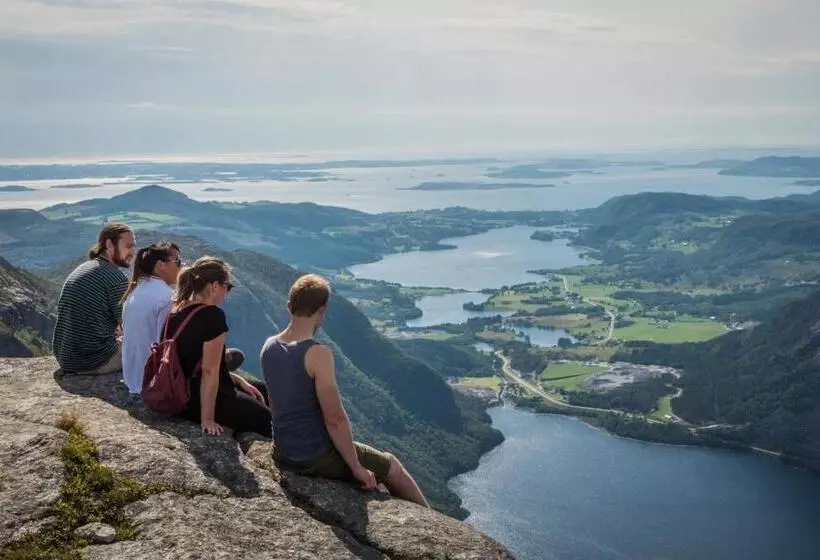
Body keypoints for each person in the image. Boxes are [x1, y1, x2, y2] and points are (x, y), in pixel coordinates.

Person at [260, 274, 429, 507]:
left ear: (289, 306)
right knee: (392, 467)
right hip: (313, 456)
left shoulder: (269, 346)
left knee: (378, 484)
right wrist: (357, 468)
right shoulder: (317, 354)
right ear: (321, 311)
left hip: (283, 452)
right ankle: (438, 526)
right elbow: (335, 419)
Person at [169, 256, 271, 438]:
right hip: (202, 401)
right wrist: (207, 419)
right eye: (227, 287)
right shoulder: (212, 316)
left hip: (181, 393)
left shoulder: (176, 310)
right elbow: (208, 371)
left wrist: (239, 380)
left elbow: (193, 361)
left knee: (262, 390)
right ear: (215, 286)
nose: (227, 292)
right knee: (271, 423)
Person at [53, 223, 135, 374]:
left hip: (66, 357)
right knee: (147, 347)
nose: (132, 252)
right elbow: (133, 327)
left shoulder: (84, 268)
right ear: (110, 244)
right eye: (128, 246)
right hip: (93, 361)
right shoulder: (114, 277)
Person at [120, 242, 183, 394]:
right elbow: (167, 344)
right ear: (161, 265)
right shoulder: (167, 298)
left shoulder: (134, 294)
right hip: (152, 383)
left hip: (132, 378)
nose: (181, 266)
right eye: (177, 261)